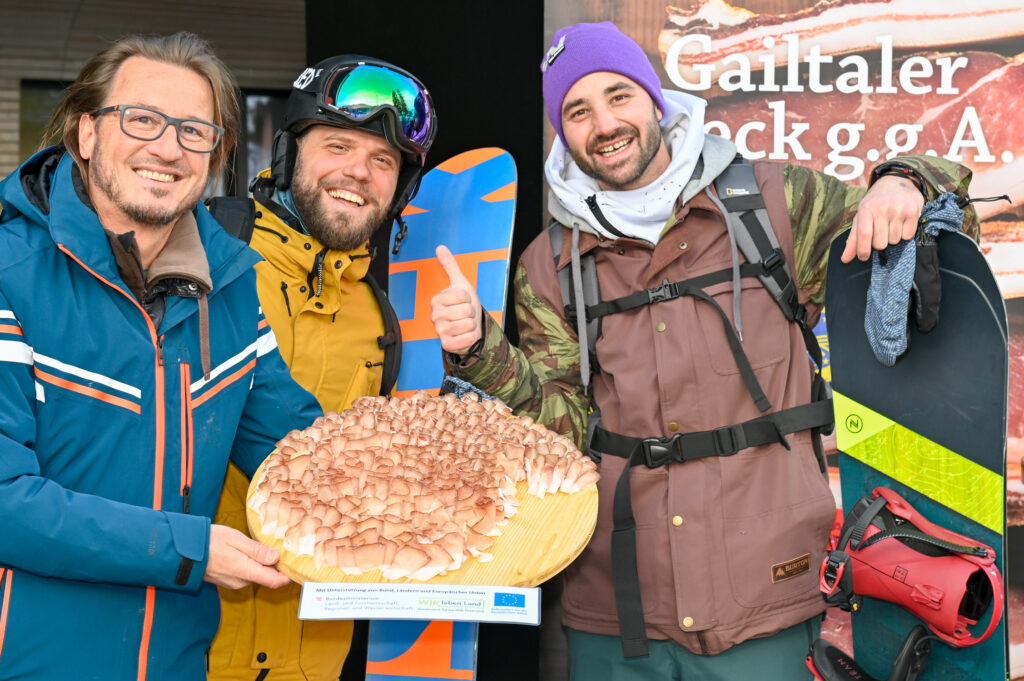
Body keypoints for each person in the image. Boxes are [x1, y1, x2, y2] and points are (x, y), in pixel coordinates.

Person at [430, 21, 978, 681]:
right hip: (617, 614)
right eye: (577, 110)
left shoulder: (773, 202)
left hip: (765, 600)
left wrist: (904, 183)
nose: (604, 122)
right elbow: (562, 435)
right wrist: (481, 352)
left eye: (619, 95)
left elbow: (942, 208)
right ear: (562, 131)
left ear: (654, 100)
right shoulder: (547, 265)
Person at [0, 32, 323, 681]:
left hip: (177, 664)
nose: (168, 148)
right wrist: (191, 549)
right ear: (86, 133)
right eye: (142, 119)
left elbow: (303, 457)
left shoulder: (229, 288)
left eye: (195, 131)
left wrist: (440, 478)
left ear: (216, 155)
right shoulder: (13, 275)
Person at [206, 56, 436, 681]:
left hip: (310, 659)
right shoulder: (201, 256)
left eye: (383, 160)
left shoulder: (378, 318)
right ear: (288, 154)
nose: (358, 172)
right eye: (337, 145)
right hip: (188, 646)